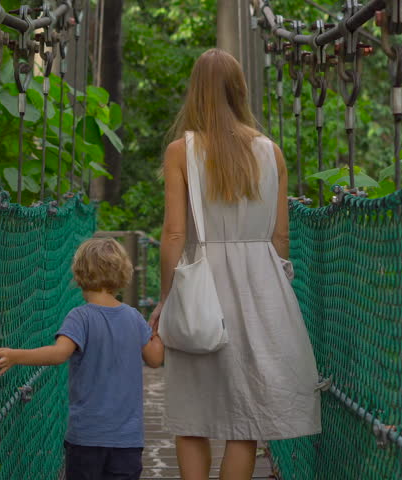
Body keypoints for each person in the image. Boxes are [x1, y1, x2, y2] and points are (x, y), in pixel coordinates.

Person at [149, 48, 322, 480]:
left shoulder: (180, 151)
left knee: (192, 414)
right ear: (239, 90)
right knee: (245, 418)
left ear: (196, 92)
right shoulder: (271, 153)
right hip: (261, 287)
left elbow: (174, 234)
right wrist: (273, 286)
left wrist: (165, 299)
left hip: (200, 288)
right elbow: (280, 238)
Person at [0, 237, 165, 480]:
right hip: (127, 440)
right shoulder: (134, 317)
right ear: (123, 274)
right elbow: (155, 358)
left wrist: (15, 356)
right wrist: (157, 334)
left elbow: (59, 353)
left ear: (78, 275)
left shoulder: (80, 317)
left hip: (87, 437)